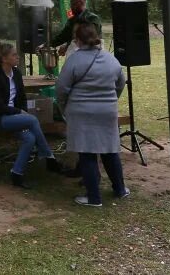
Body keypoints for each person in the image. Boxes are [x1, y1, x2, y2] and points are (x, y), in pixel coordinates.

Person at [55, 22, 128, 207]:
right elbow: (120, 82)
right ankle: (120, 189)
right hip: (107, 111)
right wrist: (110, 101)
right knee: (110, 151)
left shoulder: (74, 60)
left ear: (77, 40)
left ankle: (94, 197)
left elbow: (62, 88)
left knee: (87, 153)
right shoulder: (111, 59)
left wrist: (64, 108)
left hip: (81, 112)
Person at [0, 42, 62, 188]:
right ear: (5, 59)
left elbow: (22, 98)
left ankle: (16, 173)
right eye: (14, 54)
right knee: (32, 120)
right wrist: (19, 113)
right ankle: (49, 157)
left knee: (30, 138)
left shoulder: (16, 73)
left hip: (14, 118)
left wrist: (20, 112)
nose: (18, 57)